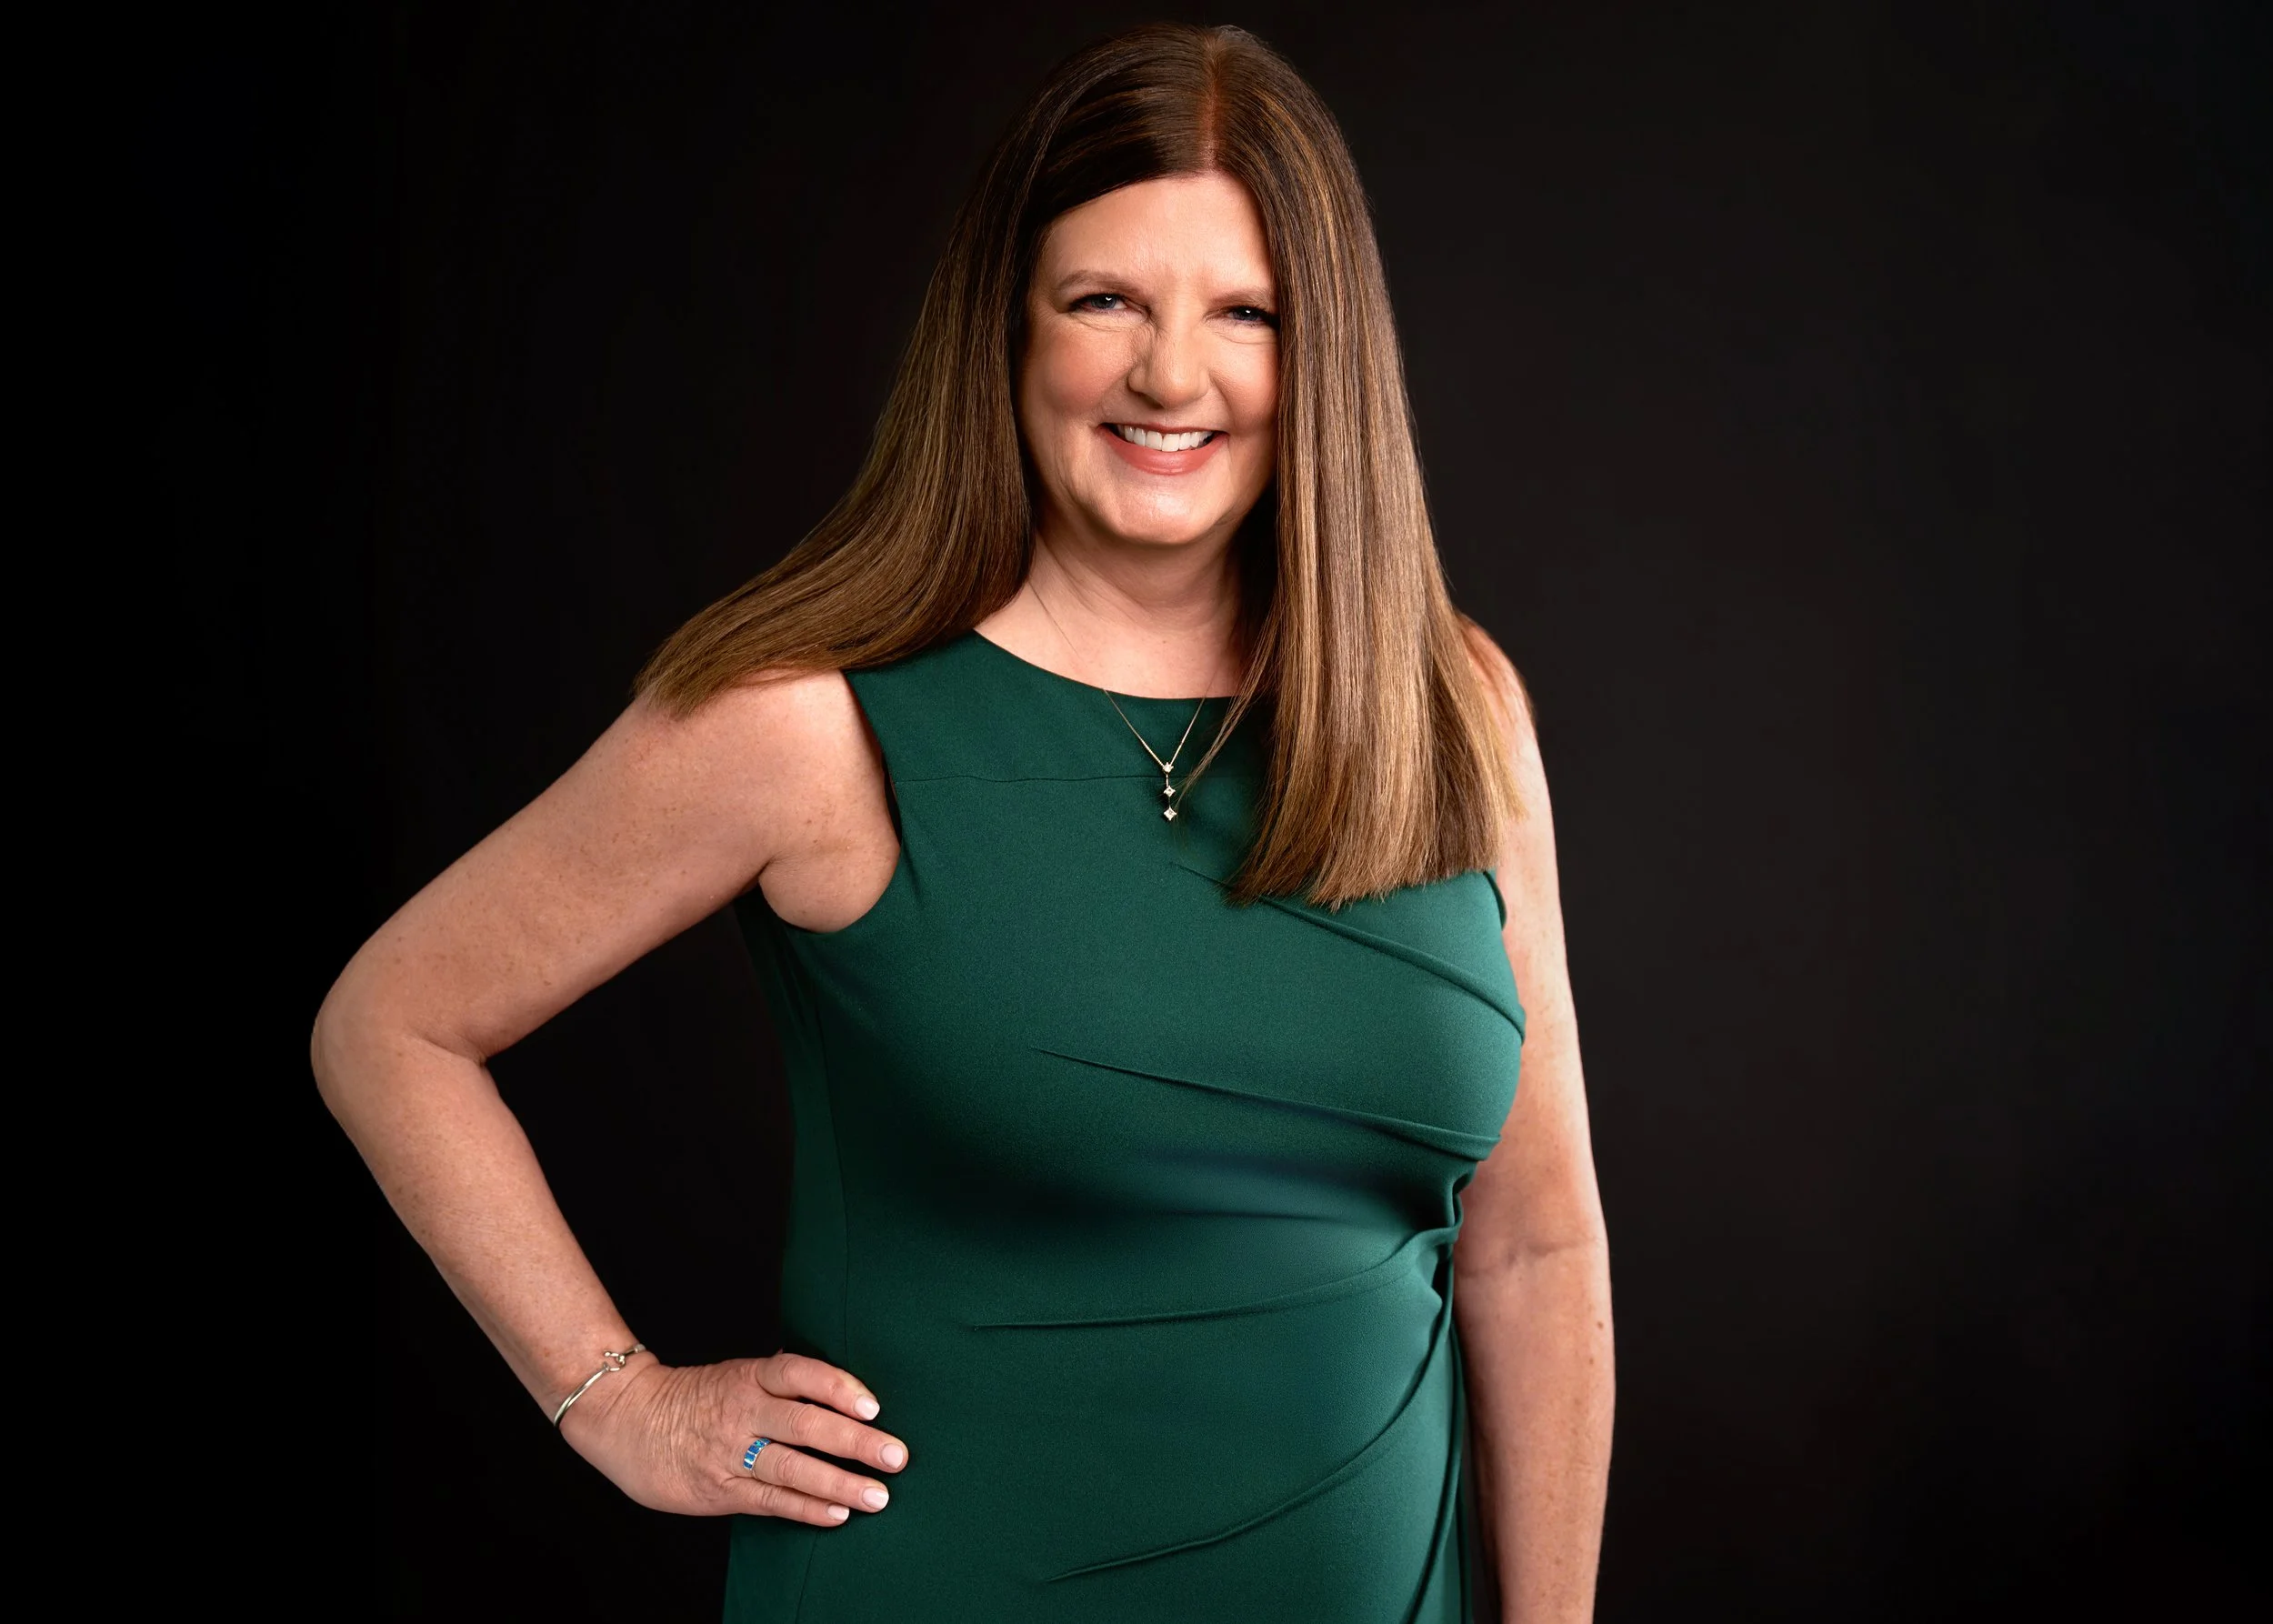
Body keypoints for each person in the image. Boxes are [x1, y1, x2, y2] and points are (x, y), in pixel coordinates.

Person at [313, 21, 1612, 1622]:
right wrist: (619, 1397)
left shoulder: (1455, 713)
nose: (1170, 374)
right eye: (1106, 301)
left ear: (1326, 352)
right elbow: (392, 1023)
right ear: (1008, 325)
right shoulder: (808, 722)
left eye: (1245, 314)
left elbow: (1535, 1252)